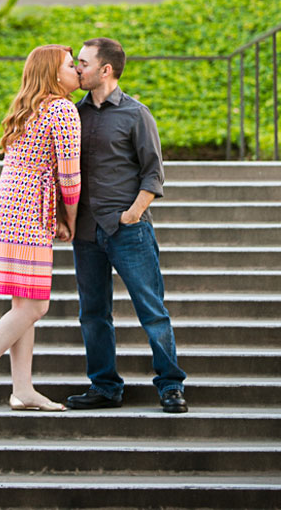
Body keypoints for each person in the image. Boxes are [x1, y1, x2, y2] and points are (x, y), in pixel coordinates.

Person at [67, 37, 187, 414]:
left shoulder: (137, 114)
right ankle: (104, 386)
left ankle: (170, 386)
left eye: (83, 63)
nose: (77, 69)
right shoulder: (72, 114)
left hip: (128, 229)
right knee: (92, 313)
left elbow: (154, 174)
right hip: (85, 232)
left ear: (106, 69)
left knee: (151, 308)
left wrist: (132, 214)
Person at [0, 44, 81, 412]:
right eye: (70, 65)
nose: (77, 70)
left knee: (23, 301)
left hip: (7, 205)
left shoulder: (31, 107)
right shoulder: (61, 108)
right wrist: (69, 221)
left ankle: (23, 389)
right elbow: (71, 178)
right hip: (28, 210)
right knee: (36, 305)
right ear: (53, 74)